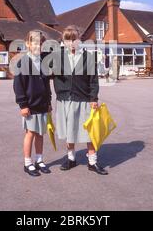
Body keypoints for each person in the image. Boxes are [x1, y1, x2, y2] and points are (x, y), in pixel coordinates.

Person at [51, 25, 107, 175]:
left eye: (74, 39)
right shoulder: (57, 56)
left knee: (89, 132)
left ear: (79, 39)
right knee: (69, 132)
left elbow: (93, 80)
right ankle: (71, 159)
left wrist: (93, 98)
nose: (71, 43)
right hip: (64, 100)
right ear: (64, 41)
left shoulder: (88, 57)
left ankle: (92, 161)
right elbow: (44, 71)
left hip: (83, 99)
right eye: (67, 40)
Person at [13, 30, 52, 177]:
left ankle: (39, 160)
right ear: (28, 44)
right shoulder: (22, 62)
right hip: (29, 106)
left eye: (40, 43)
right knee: (30, 134)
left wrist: (48, 102)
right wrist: (23, 105)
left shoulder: (43, 61)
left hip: (42, 104)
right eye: (35, 42)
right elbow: (18, 86)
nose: (38, 45)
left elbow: (47, 84)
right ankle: (28, 163)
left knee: (40, 134)